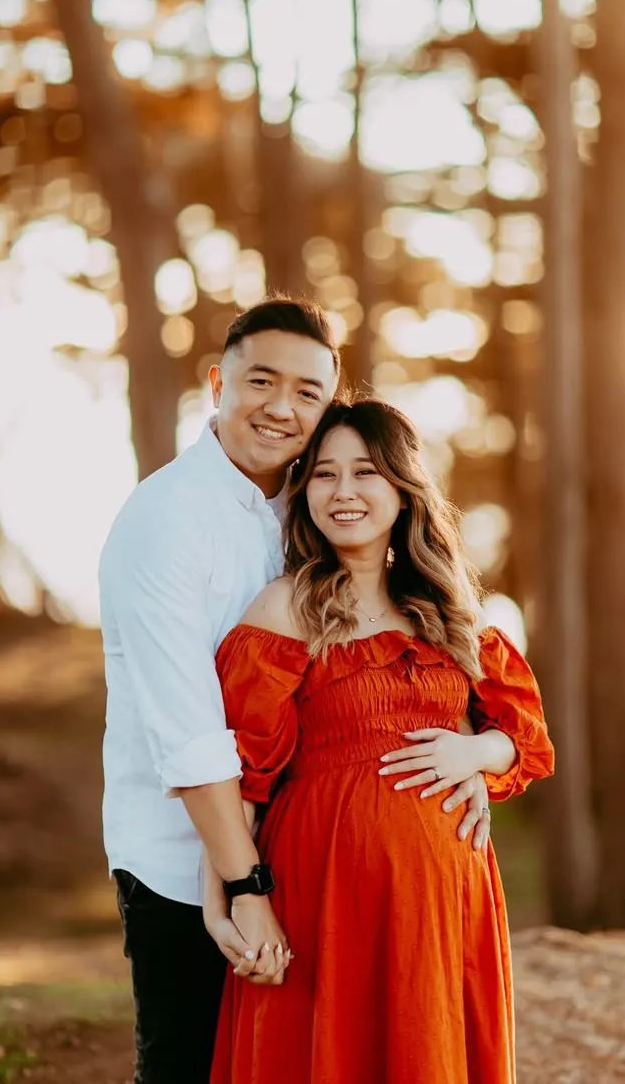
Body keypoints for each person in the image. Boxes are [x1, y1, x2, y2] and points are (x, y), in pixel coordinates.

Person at [98, 297, 493, 1084]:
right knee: (192, 1066)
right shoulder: (165, 520)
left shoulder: (309, 510)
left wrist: (484, 752)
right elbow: (193, 736)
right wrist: (241, 887)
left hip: (306, 871)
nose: (282, 407)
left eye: (307, 392)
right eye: (261, 381)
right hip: (188, 868)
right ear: (217, 383)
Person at [206, 398, 555, 1084]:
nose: (343, 492)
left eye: (364, 471)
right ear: (303, 492)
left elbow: (527, 739)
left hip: (444, 897)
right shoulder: (286, 607)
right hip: (326, 891)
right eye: (324, 474)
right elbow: (240, 774)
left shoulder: (452, 612)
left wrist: (474, 755)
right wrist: (234, 899)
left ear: (402, 485)